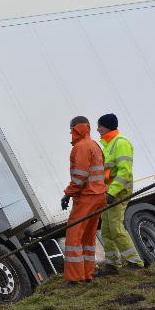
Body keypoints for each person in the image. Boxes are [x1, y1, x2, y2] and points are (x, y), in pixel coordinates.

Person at [60, 116, 107, 285]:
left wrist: (68, 193)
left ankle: (74, 279)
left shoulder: (80, 147)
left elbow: (79, 177)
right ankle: (87, 274)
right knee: (88, 238)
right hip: (99, 196)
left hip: (86, 197)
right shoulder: (94, 145)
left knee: (73, 237)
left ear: (74, 129)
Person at [96, 113, 144, 271]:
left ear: (107, 126)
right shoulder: (109, 144)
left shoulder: (120, 143)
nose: (98, 129)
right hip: (110, 192)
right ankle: (113, 263)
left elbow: (125, 172)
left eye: (100, 126)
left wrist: (112, 192)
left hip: (118, 192)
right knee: (106, 230)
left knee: (115, 228)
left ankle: (135, 262)